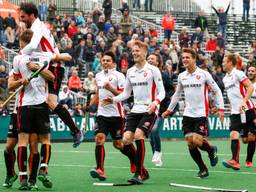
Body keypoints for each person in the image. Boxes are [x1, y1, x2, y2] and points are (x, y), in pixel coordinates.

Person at [19, 2, 84, 148]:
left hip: (53, 66)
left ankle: (75, 131)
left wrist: (20, 55)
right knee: (42, 101)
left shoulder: (37, 27)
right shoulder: (38, 26)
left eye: (23, 17)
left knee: (50, 102)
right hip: (49, 63)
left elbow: (32, 46)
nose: (21, 19)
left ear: (32, 15)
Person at [103, 40, 165, 184]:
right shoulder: (130, 71)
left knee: (138, 135)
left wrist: (155, 103)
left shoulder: (153, 70)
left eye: (137, 50)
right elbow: (126, 94)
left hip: (149, 109)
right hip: (135, 109)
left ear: (144, 53)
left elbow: (161, 93)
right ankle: (142, 170)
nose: (134, 53)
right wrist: (113, 100)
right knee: (125, 140)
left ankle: (138, 174)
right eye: (133, 51)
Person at [162, 48, 224, 178]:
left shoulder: (203, 74)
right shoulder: (181, 76)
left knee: (196, 140)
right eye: (183, 58)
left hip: (201, 113)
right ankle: (203, 169)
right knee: (190, 142)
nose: (184, 60)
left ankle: (211, 149)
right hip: (187, 113)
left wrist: (221, 108)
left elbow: (217, 90)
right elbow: (176, 94)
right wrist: (169, 109)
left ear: (194, 59)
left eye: (187, 57)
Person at [10, 29, 55, 190]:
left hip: (40, 104)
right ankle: (24, 179)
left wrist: (37, 67)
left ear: (24, 43)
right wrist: (21, 81)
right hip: (25, 105)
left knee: (39, 142)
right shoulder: (18, 59)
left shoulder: (42, 58)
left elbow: (51, 77)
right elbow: (11, 84)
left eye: (21, 42)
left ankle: (41, 171)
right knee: (26, 142)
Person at [89, 51, 138, 180]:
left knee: (118, 144)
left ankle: (135, 161)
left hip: (117, 115)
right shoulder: (98, 75)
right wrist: (90, 104)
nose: (105, 62)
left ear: (113, 63)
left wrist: (110, 88)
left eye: (108, 60)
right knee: (99, 139)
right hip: (101, 114)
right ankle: (100, 169)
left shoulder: (119, 76)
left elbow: (122, 95)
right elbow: (99, 92)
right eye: (103, 60)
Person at [222, 53, 255, 170]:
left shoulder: (238, 73)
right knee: (233, 134)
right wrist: (232, 108)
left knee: (250, 137)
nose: (222, 63)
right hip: (235, 111)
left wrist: (244, 102)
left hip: (247, 108)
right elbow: (231, 96)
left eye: (224, 61)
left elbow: (250, 87)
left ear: (230, 63)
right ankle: (235, 161)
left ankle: (248, 160)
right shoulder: (225, 79)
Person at [147, 53, 173, 167]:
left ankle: (157, 152)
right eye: (148, 58)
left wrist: (163, 97)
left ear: (158, 62)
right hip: (147, 108)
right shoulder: (144, 75)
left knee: (154, 130)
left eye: (152, 59)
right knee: (150, 134)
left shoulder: (164, 75)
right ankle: (155, 155)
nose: (150, 60)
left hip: (160, 108)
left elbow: (171, 90)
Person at [246, 65, 256, 167]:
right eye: (249, 71)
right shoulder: (244, 84)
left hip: (254, 113)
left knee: (251, 137)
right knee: (245, 140)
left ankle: (249, 161)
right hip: (246, 111)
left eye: (252, 71)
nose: (250, 72)